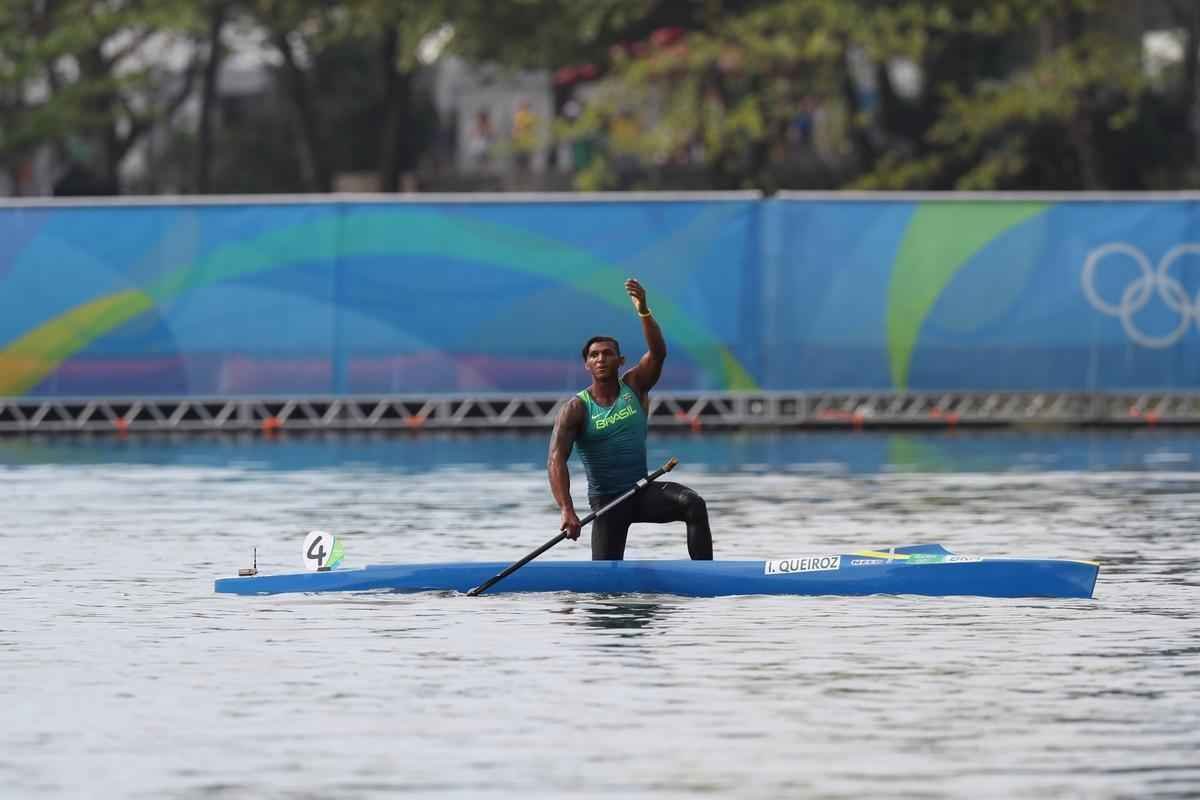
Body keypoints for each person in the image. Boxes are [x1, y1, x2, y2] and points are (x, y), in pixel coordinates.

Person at [547, 279, 714, 560]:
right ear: (587, 364)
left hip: (641, 492)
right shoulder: (575, 408)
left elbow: (659, 353)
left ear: (620, 360)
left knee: (693, 504)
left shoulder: (635, 386)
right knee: (604, 590)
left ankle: (707, 576)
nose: (601, 359)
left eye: (608, 354)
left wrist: (644, 311)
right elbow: (555, 459)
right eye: (594, 355)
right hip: (607, 503)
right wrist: (567, 508)